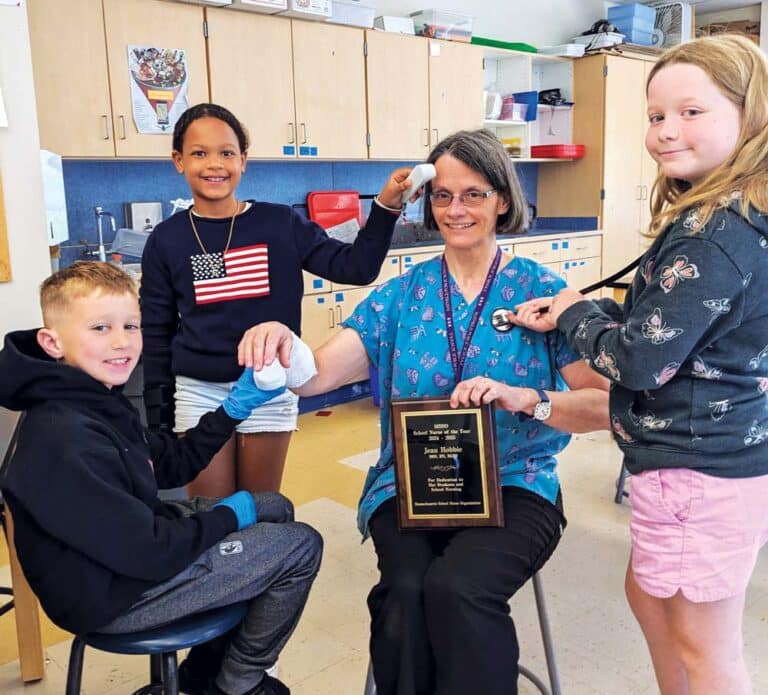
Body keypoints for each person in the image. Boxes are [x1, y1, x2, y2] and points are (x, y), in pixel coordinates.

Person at [237, 129, 610, 695]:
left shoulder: (542, 292)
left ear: (502, 200)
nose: (456, 210)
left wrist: (527, 399)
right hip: (412, 485)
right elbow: (316, 375)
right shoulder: (399, 295)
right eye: (443, 196)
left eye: (473, 194)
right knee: (406, 592)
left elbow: (602, 405)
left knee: (459, 588)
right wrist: (279, 341)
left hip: (517, 480)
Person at [512, 35, 768, 695]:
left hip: (697, 470)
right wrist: (592, 309)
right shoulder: (727, 218)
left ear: (750, 117)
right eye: (656, 116)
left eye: (691, 112)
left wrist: (574, 313)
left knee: (703, 646)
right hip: (696, 463)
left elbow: (639, 361)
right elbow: (678, 323)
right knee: (651, 601)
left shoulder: (717, 237)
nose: (664, 131)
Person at [0, 262, 323, 695]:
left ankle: (203, 672)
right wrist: (228, 516)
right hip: (110, 596)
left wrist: (235, 407)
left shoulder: (93, 396)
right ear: (52, 341)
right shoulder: (66, 436)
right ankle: (238, 680)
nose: (121, 343)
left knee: (273, 506)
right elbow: (149, 553)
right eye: (100, 328)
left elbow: (169, 464)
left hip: (129, 552)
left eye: (131, 325)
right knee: (300, 545)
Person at [140, 102, 411, 497]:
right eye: (199, 153)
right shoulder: (166, 239)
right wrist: (158, 422)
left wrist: (385, 207)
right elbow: (157, 332)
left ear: (244, 160)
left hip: (268, 384)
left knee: (260, 508)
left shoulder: (279, 223)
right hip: (199, 390)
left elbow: (356, 267)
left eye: (227, 153)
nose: (214, 164)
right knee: (212, 514)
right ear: (179, 161)